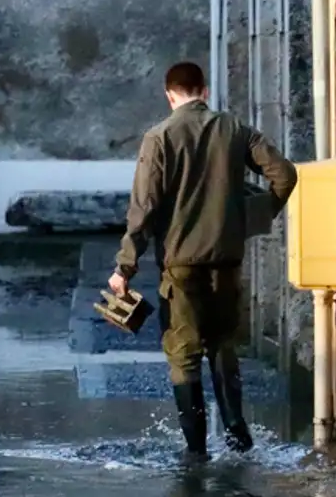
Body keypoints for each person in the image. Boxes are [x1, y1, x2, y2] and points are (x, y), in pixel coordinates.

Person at [108, 61, 299, 461]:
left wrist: (124, 268)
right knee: (224, 347)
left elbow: (143, 210)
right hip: (226, 262)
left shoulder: (158, 137)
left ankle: (196, 452)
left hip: (180, 267)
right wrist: (254, 215)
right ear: (205, 90)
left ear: (169, 94)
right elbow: (284, 174)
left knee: (184, 354)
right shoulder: (233, 129)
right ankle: (238, 438)